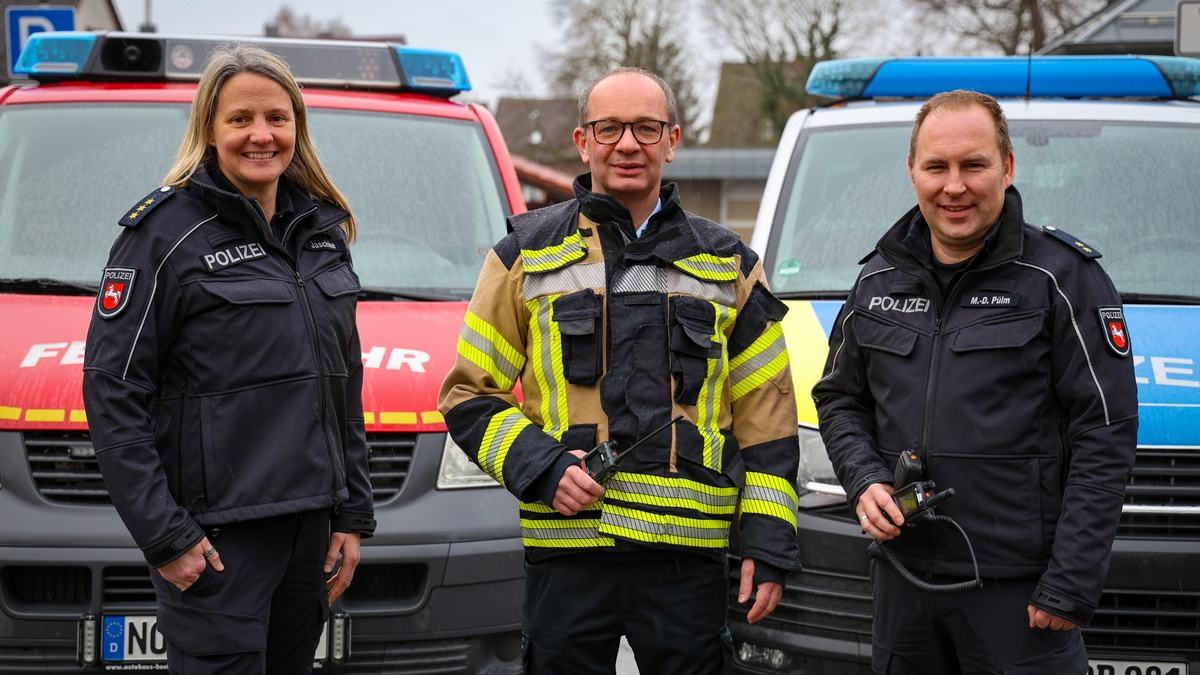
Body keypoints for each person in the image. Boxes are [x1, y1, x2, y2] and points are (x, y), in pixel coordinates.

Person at [438, 67, 802, 674]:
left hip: (688, 564)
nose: (628, 144)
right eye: (609, 128)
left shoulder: (730, 263)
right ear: (583, 142)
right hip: (568, 550)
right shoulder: (522, 256)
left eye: (645, 128)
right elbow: (468, 396)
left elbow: (770, 421)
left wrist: (767, 545)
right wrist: (543, 467)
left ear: (673, 139)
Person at [813, 89, 1138, 674]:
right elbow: (839, 399)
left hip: (1018, 597)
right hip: (903, 585)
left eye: (974, 165)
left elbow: (1105, 436)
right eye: (936, 166)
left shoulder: (1063, 279)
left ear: (1007, 168)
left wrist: (1069, 581)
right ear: (912, 171)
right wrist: (864, 480)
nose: (954, 186)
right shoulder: (877, 280)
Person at [82, 43, 375, 675]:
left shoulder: (323, 234)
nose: (261, 135)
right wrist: (166, 537)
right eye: (241, 119)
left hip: (309, 536)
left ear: (298, 125)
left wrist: (351, 512)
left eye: (277, 117)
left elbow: (342, 387)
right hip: (217, 542)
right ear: (209, 129)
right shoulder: (160, 236)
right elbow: (112, 391)